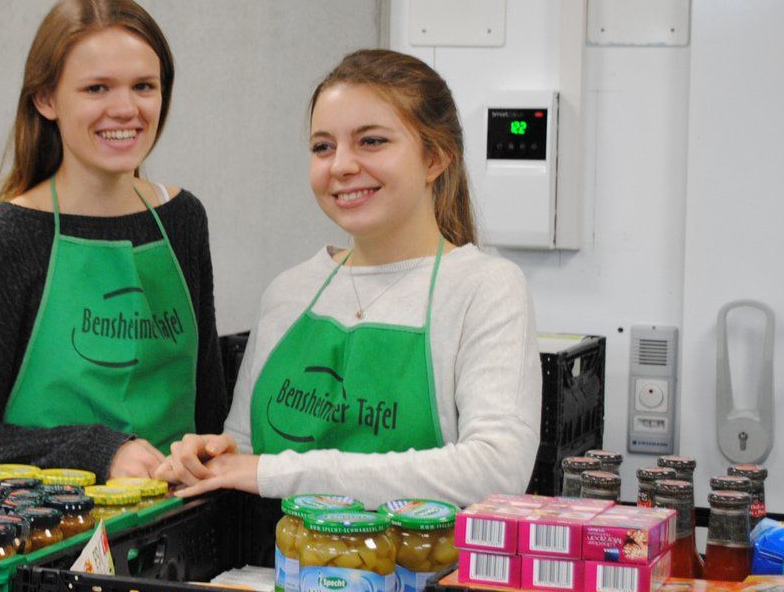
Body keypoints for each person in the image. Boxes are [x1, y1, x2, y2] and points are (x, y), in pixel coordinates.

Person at [158, 49, 538, 506]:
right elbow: (247, 451)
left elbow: (496, 470)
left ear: (435, 158)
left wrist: (280, 471)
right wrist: (210, 455)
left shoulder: (486, 288)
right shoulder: (289, 292)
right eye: (323, 147)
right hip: (276, 572)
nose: (340, 166)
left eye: (371, 141)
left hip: (416, 576)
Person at [0, 0, 227, 479]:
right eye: (97, 89)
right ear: (46, 99)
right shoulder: (1, 241)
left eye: (143, 86)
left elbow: (209, 404)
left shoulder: (184, 219)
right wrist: (99, 452)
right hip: (43, 539)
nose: (126, 109)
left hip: (173, 532)